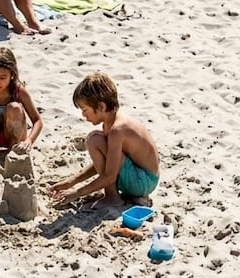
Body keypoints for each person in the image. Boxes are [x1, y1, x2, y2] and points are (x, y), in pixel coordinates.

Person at [49, 72, 160, 208]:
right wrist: (71, 181)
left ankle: (112, 197)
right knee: (96, 139)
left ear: (101, 107)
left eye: (85, 110)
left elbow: (109, 176)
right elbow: (108, 162)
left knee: (94, 139)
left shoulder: (117, 130)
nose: (83, 115)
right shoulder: (110, 123)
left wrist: (76, 193)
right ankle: (123, 195)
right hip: (143, 179)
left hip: (144, 181)